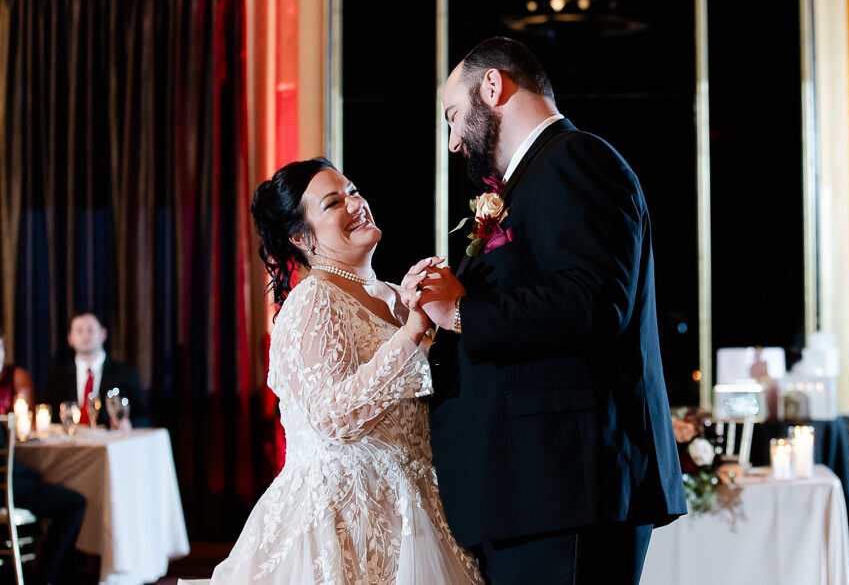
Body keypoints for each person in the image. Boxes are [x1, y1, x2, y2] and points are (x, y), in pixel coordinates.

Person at [405, 37, 687, 584]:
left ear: (493, 86)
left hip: (566, 489)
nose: (454, 141)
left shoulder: (577, 159)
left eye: (454, 117)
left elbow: (595, 301)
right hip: (534, 494)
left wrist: (462, 313)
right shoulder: (533, 177)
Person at [203, 158, 482, 583]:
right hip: (344, 518)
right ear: (301, 237)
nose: (356, 204)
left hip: (418, 508)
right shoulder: (312, 300)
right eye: (334, 202)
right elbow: (334, 415)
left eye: (353, 191)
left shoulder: (395, 294)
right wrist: (411, 332)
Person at [0, 329, 87, 585]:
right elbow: (8, 469)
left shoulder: (15, 377)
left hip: (13, 478)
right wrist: (36, 475)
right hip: (9, 487)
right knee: (74, 502)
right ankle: (47, 577)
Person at [45, 312, 150, 428]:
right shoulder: (58, 377)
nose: (85, 336)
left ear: (103, 334)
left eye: (90, 330)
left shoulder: (125, 373)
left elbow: (144, 417)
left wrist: (129, 424)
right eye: (79, 331)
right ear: (70, 338)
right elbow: (48, 416)